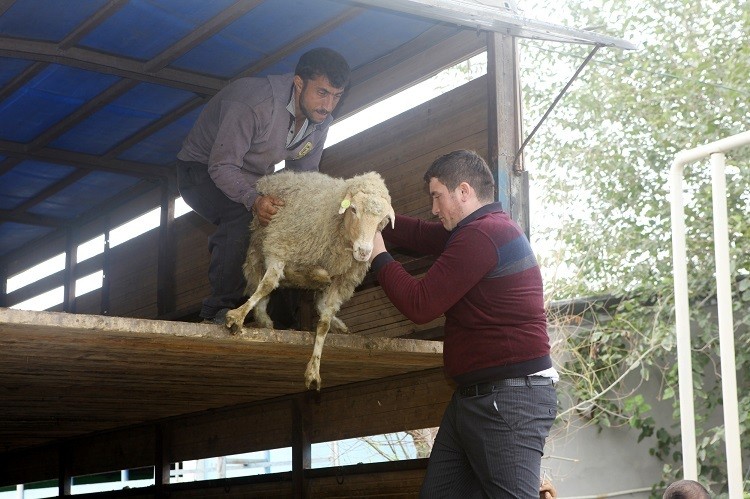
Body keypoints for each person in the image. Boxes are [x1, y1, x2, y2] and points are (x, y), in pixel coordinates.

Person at [369, 150, 558, 498]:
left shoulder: (482, 235)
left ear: (464, 191)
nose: (434, 208)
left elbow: (420, 304)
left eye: (437, 196)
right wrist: (376, 217)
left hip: (509, 398)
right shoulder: (474, 230)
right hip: (476, 397)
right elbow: (422, 236)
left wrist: (378, 253)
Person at [176, 47, 350, 324]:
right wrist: (252, 200)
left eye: (336, 97)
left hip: (253, 178)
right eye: (322, 93)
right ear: (299, 83)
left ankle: (282, 321)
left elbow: (304, 179)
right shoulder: (254, 104)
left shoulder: (321, 121)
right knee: (242, 215)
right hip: (200, 171)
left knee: (289, 226)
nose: (328, 105)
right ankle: (217, 310)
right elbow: (221, 166)